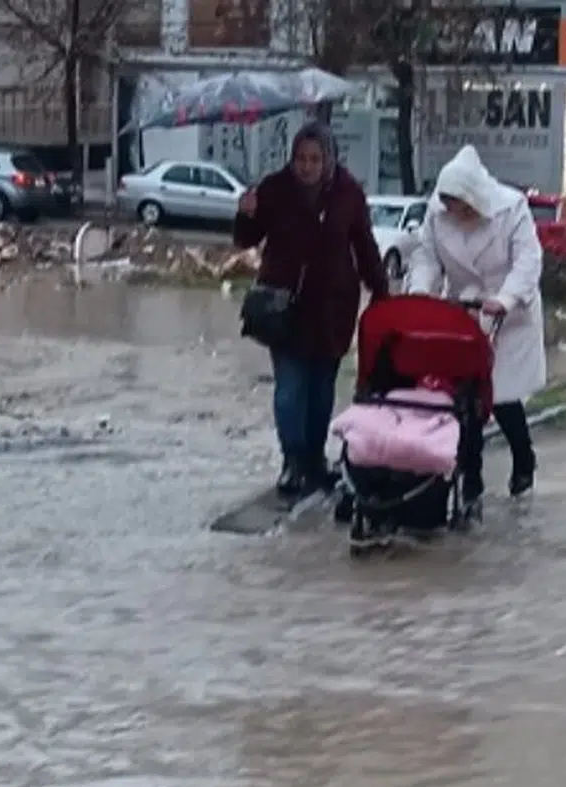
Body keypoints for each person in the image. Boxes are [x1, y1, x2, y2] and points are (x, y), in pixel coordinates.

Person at [233, 120, 390, 498]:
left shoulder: (348, 192)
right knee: (289, 389)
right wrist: (246, 212)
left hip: (333, 309)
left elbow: (364, 244)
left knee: (321, 391)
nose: (306, 166)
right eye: (301, 159)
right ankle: (292, 461)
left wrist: (381, 292)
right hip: (284, 309)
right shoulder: (275, 189)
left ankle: (315, 460)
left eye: (314, 159)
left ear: (328, 158)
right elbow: (245, 239)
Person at [404, 145, 545, 511]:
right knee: (465, 397)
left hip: (506, 312)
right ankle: (471, 478)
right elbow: (426, 258)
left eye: (464, 207)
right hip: (462, 310)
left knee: (501, 395)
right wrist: (420, 293)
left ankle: (523, 457)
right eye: (452, 206)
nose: (458, 213)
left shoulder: (511, 208)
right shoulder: (436, 215)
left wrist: (507, 298)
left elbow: (528, 259)